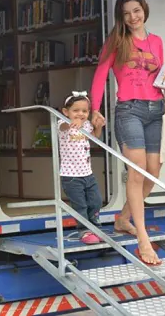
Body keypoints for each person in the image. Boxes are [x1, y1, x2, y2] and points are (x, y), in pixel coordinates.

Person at [90, 0, 165, 265]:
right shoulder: (117, 41)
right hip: (129, 110)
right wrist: (95, 108)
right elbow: (100, 75)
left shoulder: (156, 42)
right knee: (137, 172)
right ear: (122, 17)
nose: (132, 17)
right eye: (126, 13)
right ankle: (143, 241)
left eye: (136, 11)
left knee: (153, 171)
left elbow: (162, 82)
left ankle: (123, 218)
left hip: (155, 110)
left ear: (144, 9)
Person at [58, 91, 105, 244]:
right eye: (76, 110)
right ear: (66, 112)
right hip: (71, 176)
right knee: (80, 205)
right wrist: (71, 122)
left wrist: (98, 127)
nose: (81, 114)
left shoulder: (86, 125)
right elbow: (63, 127)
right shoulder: (62, 123)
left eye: (84, 111)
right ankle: (84, 231)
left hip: (87, 173)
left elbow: (94, 138)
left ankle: (95, 227)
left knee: (96, 201)